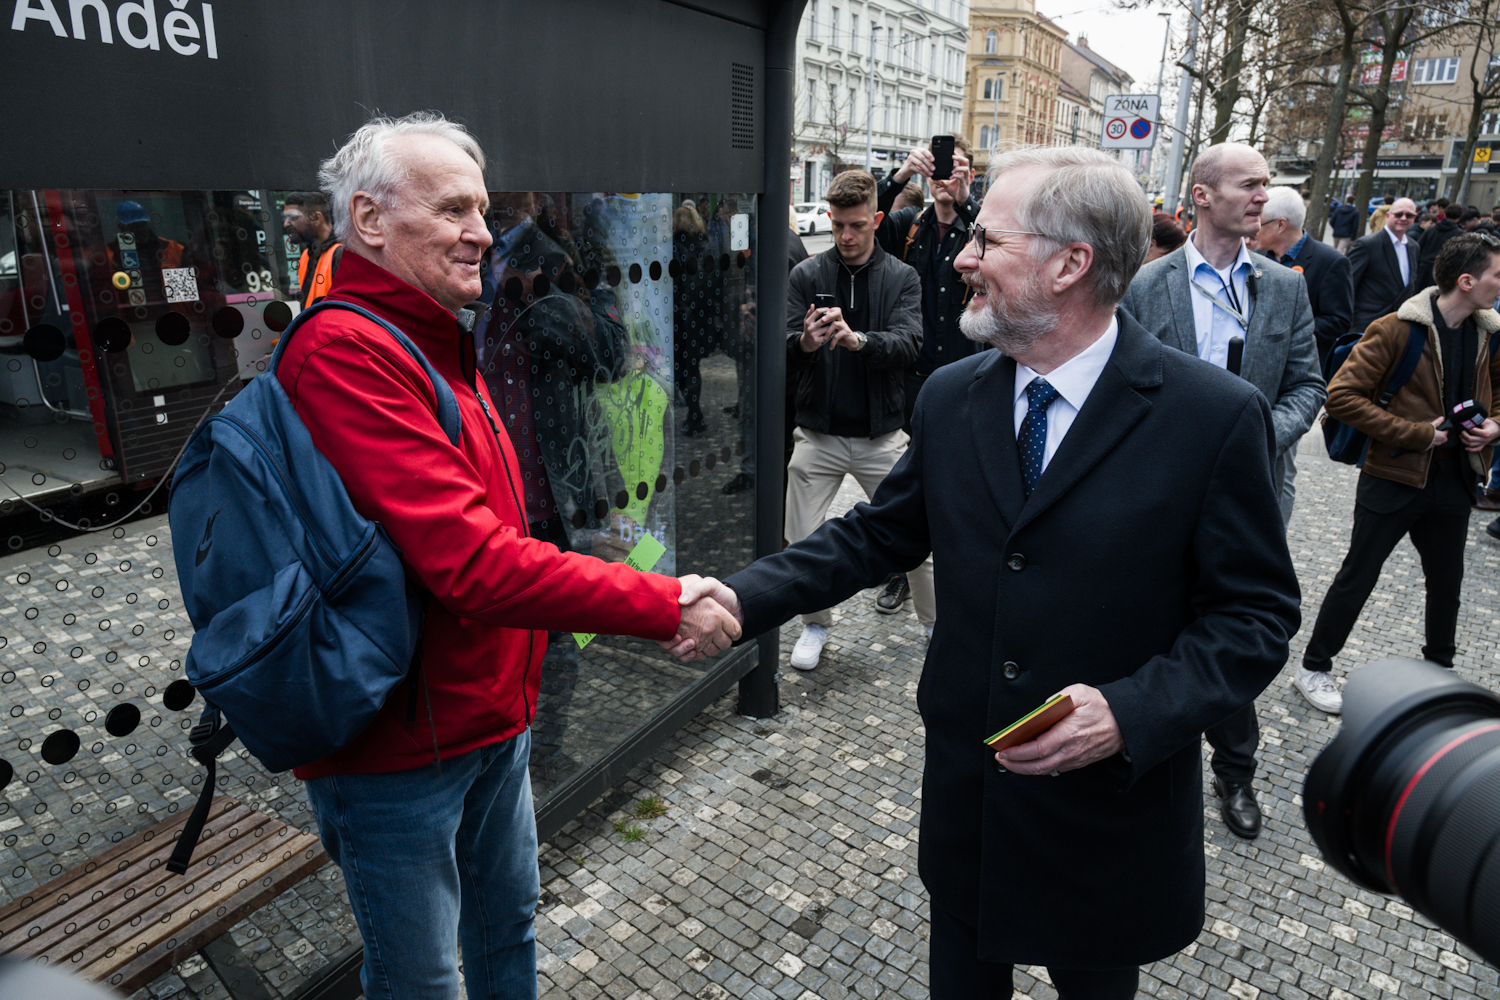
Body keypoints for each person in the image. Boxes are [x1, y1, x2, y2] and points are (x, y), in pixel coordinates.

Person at [681, 145, 1299, 1000]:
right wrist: (742, 596)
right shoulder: (952, 394)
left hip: (1105, 815)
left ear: (1070, 264)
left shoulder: (1214, 417)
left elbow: (1255, 618)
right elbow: (876, 537)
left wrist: (1131, 711)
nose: (962, 260)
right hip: (971, 803)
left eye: (987, 241)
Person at [278, 112, 740, 1000]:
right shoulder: (347, 352)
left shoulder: (434, 335)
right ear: (369, 219)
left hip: (489, 716)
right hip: (401, 748)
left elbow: (500, 525)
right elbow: (474, 565)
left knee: (506, 931)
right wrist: (661, 600)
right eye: (453, 209)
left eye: (482, 210)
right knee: (422, 980)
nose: (483, 233)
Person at [1120, 142, 1325, 841]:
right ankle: (1147, 745)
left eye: (1267, 185)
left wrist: (1254, 439)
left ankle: (1236, 770)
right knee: (1159, 619)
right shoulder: (1146, 286)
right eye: (1249, 184)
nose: (1263, 196)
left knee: (1235, 625)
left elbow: (1308, 386)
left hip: (1253, 492)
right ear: (1202, 196)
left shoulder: (1285, 286)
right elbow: (1122, 385)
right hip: (1162, 491)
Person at [1301, 233, 1500, 713]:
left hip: (1454, 478)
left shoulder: (1489, 333)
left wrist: (1494, 425)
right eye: (1497, 275)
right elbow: (1341, 396)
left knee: (1447, 583)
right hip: (1393, 475)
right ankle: (1314, 667)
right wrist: (1415, 434)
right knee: (1359, 575)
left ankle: (1439, 672)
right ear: (1467, 281)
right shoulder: (1396, 329)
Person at [781, 168, 935, 668]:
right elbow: (783, 346)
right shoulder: (807, 274)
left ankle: (937, 627)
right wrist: (806, 343)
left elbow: (909, 345)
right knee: (800, 539)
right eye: (838, 224)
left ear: (877, 220)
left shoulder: (902, 276)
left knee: (919, 540)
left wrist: (858, 340)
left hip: (881, 434)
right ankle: (816, 623)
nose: (846, 236)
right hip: (818, 432)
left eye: (857, 225)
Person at [868, 135, 984, 617]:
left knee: (961, 478)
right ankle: (902, 572)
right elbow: (866, 220)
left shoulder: (979, 229)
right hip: (912, 379)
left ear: (969, 174)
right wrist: (899, 176)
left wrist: (966, 200)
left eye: (955, 167)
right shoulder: (907, 226)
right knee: (909, 479)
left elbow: (1000, 244)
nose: (943, 175)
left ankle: (958, 572)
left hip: (966, 376)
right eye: (937, 166)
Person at [1256, 186, 1354, 362]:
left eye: (1259, 222)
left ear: (1281, 225)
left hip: (1303, 362)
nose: (1254, 229)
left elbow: (1338, 321)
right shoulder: (1256, 257)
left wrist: (1283, 332)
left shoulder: (1331, 262)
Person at [1348, 197, 1420, 333]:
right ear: (1388, 216)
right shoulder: (1367, 245)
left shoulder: (1413, 247)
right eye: (1398, 214)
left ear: (1414, 218)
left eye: (1409, 215)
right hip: (1367, 323)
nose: (1403, 218)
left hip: (1398, 324)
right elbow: (1348, 284)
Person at [282, 191, 343, 306]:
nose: (286, 224)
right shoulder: (306, 255)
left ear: (316, 218)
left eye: (293, 217)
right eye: (285, 218)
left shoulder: (341, 255)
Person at [1418, 203, 1465, 290]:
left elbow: (1419, 246)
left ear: (1445, 214)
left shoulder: (1431, 229)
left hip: (1424, 268)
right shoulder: (1460, 233)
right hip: (1443, 271)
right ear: (1460, 217)